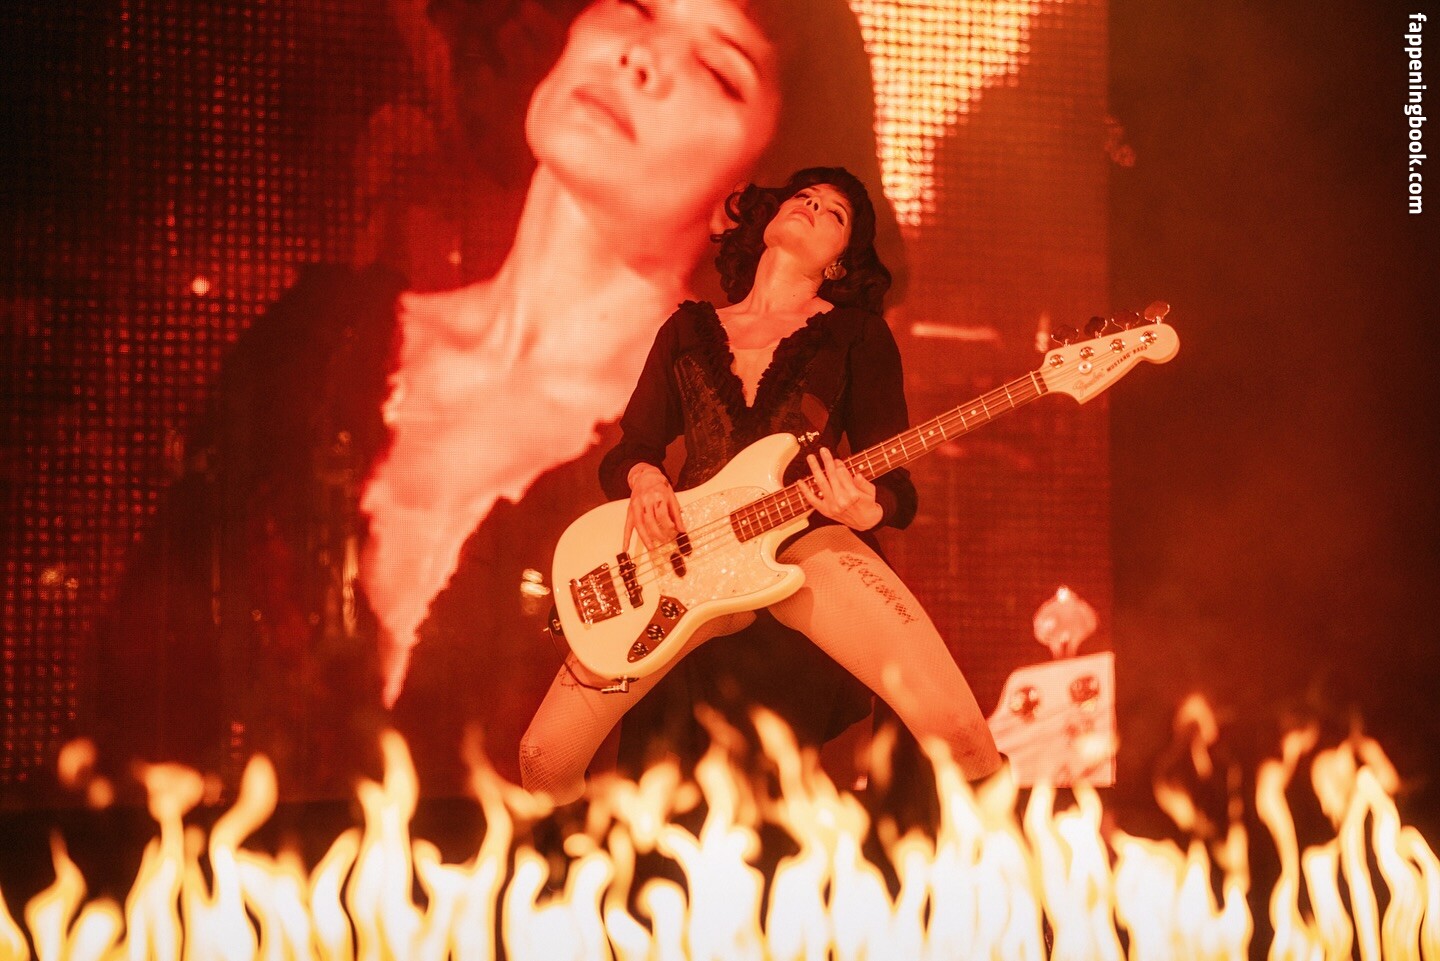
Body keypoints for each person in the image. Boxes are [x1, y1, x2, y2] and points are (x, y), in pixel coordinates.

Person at [94, 0, 899, 798]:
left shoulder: (734, 460)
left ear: (761, 197)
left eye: (718, 69)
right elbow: (130, 694)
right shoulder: (315, 342)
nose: (641, 58)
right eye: (634, 6)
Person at [519, 168, 1003, 804]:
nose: (813, 206)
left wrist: (866, 509)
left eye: (834, 213)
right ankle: (586, 859)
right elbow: (630, 450)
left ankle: (1013, 855)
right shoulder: (687, 330)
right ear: (768, 220)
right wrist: (645, 478)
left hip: (808, 540)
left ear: (839, 262)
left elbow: (896, 488)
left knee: (961, 734)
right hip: (684, 554)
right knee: (544, 758)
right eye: (805, 197)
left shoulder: (855, 334)